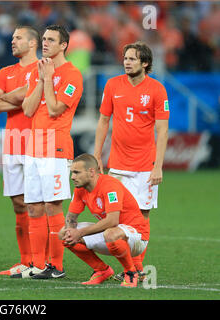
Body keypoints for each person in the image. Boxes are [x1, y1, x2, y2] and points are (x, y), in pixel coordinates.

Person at [93, 41, 169, 280]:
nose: (127, 62)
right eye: (125, 58)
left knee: (141, 218)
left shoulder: (157, 90)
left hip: (145, 167)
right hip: (117, 165)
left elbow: (162, 130)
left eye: (133, 59)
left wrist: (158, 166)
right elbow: (104, 121)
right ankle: (129, 268)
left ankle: (136, 268)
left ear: (145, 63)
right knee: (117, 216)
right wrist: (97, 154)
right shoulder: (113, 85)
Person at [12, 25, 83, 279]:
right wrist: (43, 79)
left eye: (51, 40)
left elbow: (54, 109)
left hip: (56, 147)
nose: (45, 43)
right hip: (33, 147)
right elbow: (29, 110)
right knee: (33, 207)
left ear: (63, 45)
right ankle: (38, 265)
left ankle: (57, 266)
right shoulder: (37, 72)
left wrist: (48, 80)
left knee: (53, 207)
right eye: (43, 39)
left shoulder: (73, 75)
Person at [0, 26, 39, 276]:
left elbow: (27, 96)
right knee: (18, 203)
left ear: (33, 43)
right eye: (13, 37)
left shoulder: (43, 69)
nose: (12, 41)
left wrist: (9, 97)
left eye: (18, 38)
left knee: (39, 204)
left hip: (38, 142)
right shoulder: (5, 71)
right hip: (13, 143)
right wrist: (15, 98)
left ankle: (43, 261)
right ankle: (25, 262)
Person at [60, 153, 150, 287]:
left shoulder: (109, 185)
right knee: (64, 233)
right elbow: (71, 217)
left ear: (91, 172)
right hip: (112, 233)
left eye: (77, 172)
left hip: (137, 237)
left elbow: (112, 221)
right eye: (72, 173)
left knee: (111, 233)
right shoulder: (80, 188)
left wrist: (81, 233)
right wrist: (71, 231)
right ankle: (102, 270)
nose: (72, 177)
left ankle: (130, 273)